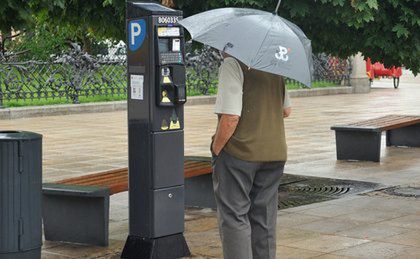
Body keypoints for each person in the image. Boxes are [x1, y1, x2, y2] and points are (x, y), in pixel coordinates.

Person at [211, 54, 291, 259]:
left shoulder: (232, 63)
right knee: (264, 218)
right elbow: (286, 110)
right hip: (274, 152)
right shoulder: (274, 64)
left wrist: (216, 147)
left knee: (234, 217)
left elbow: (230, 117)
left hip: (240, 153)